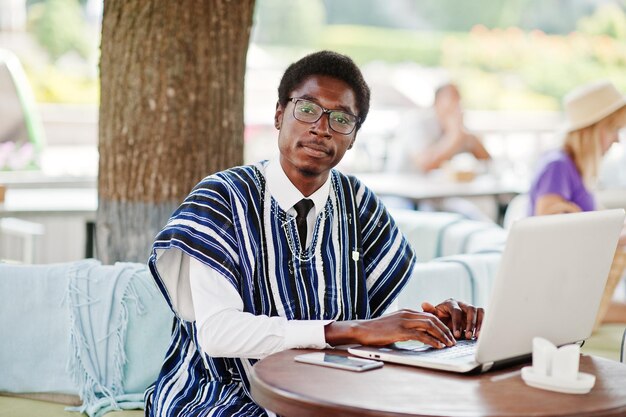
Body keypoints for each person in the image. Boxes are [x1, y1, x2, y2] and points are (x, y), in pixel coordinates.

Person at [144, 51, 483, 417]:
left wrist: (432, 320)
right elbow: (218, 333)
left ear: (352, 138)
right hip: (223, 392)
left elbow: (378, 316)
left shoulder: (358, 203)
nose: (321, 128)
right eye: (307, 109)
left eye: (341, 119)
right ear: (279, 115)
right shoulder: (222, 198)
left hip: (328, 388)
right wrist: (343, 331)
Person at [528, 79, 626, 323]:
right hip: (561, 297)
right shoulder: (558, 166)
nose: (617, 140)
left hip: (577, 291)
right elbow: (556, 237)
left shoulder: (572, 168)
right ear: (594, 130)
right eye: (614, 129)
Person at [388, 82, 491, 174]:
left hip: (435, 191)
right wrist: (455, 135)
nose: (457, 106)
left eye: (459, 100)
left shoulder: (455, 127)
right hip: (401, 189)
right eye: (452, 99)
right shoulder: (416, 122)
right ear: (437, 103)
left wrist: (467, 137)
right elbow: (426, 163)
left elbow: (488, 162)